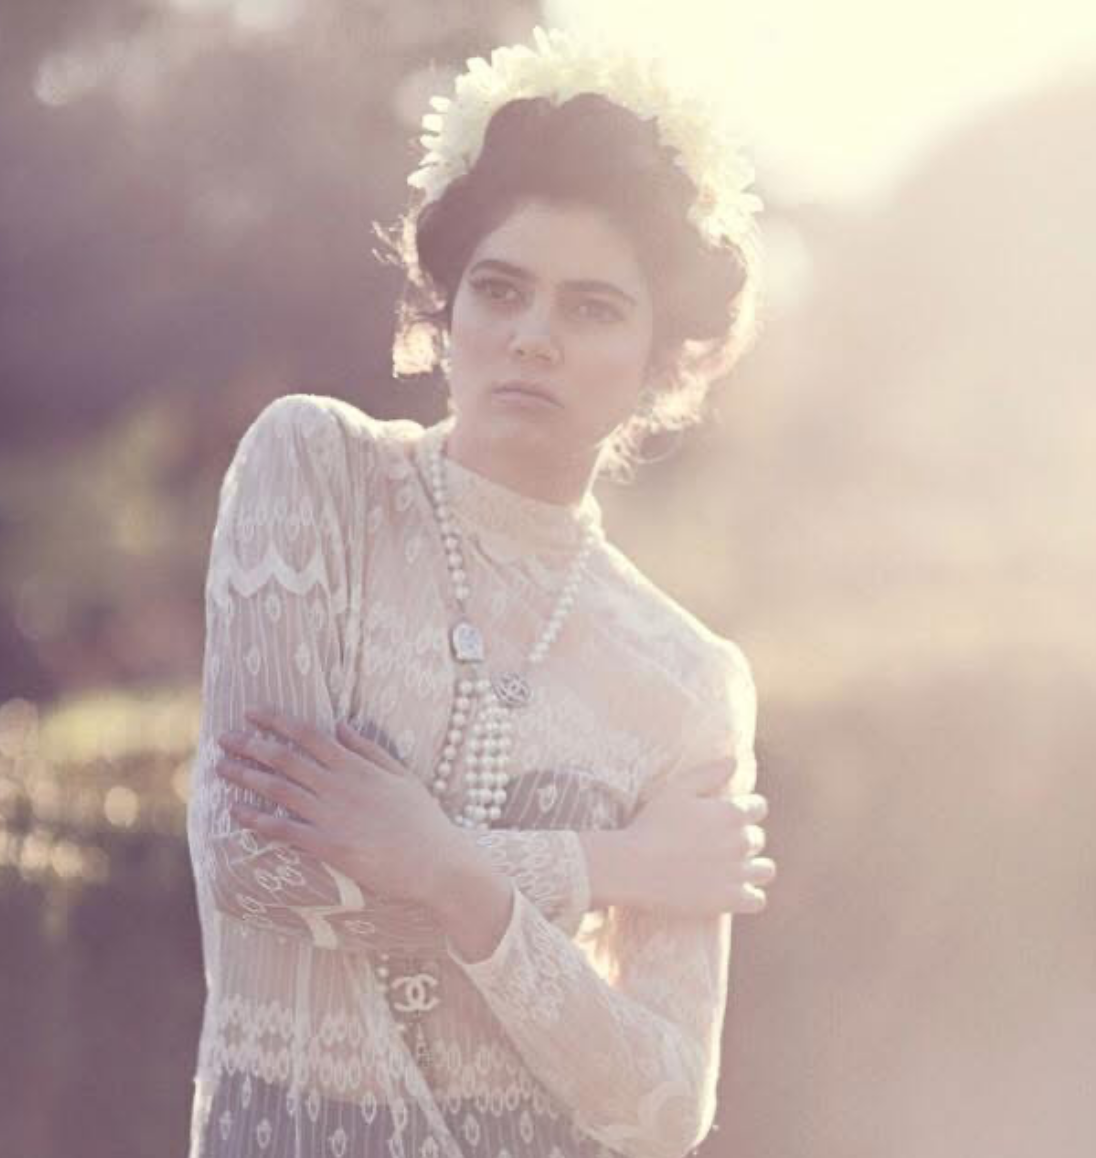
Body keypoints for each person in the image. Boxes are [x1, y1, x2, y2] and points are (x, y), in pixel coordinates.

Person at [185, 26, 774, 1158]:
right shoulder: (317, 475)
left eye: (594, 307)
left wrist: (442, 867)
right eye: (499, 291)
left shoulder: (688, 677)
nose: (533, 339)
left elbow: (661, 1105)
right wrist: (602, 866)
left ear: (662, 360)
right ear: (443, 313)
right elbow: (256, 863)